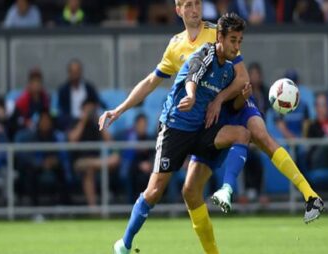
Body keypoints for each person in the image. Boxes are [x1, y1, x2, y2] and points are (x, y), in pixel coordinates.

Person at [101, 13, 251, 254]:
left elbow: (233, 105)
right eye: (233, 40)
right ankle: (124, 244)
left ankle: (226, 190)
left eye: (240, 41)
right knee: (154, 192)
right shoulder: (205, 53)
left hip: (202, 129)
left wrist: (238, 97)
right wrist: (191, 95)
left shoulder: (228, 71)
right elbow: (192, 76)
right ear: (219, 37)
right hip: (176, 126)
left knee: (242, 134)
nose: (236, 47)